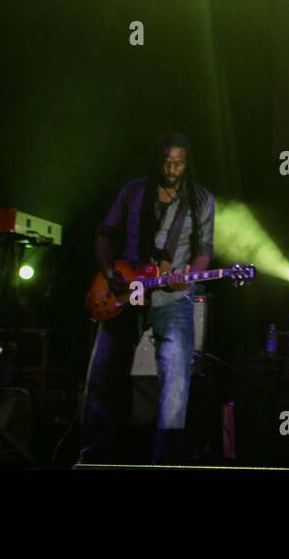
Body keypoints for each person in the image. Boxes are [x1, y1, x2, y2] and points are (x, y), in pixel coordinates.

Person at [80, 132, 215, 464]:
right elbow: (104, 235)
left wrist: (187, 278)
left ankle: (164, 461)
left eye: (179, 163)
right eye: (167, 162)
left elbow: (203, 253)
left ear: (188, 162)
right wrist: (108, 272)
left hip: (172, 301)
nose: (172, 169)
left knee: (176, 385)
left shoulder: (201, 200)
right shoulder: (134, 189)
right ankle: (94, 457)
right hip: (127, 291)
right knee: (103, 375)